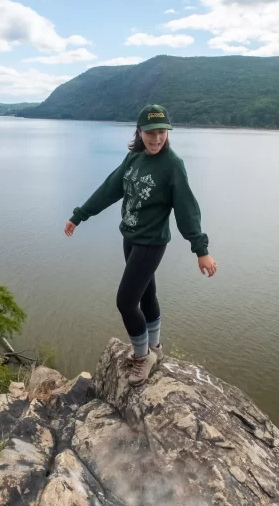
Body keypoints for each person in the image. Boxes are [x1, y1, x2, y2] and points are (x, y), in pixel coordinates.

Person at [64, 104, 217, 387]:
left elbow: (187, 208)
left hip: (151, 243)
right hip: (130, 237)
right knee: (147, 295)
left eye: (161, 132)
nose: (156, 138)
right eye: (150, 132)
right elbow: (111, 187)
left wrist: (201, 250)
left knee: (125, 301)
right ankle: (155, 347)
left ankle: (142, 354)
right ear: (140, 131)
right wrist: (80, 214)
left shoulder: (172, 165)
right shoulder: (134, 156)